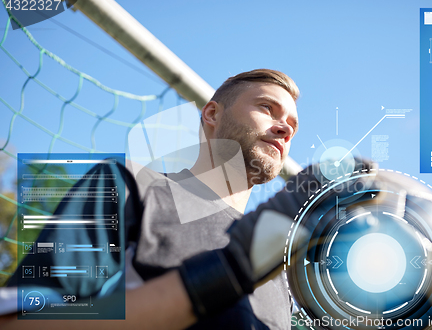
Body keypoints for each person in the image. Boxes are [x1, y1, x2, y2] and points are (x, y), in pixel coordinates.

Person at [0, 69, 305, 329]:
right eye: (267, 108)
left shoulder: (279, 269)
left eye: (292, 125)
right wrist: (221, 275)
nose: (285, 129)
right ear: (212, 113)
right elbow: (20, 321)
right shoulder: (128, 184)